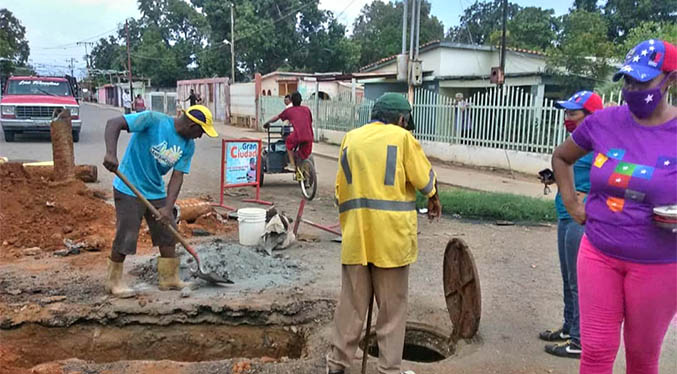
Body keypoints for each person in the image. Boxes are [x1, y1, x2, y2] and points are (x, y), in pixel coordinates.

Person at [552, 39, 676, 374]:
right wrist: (572, 204)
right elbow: (561, 158)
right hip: (599, 253)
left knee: (642, 359)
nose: (633, 89)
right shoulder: (603, 122)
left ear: (669, 79)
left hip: (658, 264)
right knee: (594, 354)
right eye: (628, 81)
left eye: (643, 81)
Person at [326, 93, 442, 374]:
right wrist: (434, 196)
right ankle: (388, 370)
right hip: (391, 240)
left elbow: (339, 190)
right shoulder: (403, 139)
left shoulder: (350, 138)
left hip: (357, 238)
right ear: (402, 119)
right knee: (391, 310)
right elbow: (424, 179)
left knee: (351, 307)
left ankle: (337, 365)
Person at [102, 105, 219, 298]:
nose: (200, 136)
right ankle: (113, 282)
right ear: (192, 125)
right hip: (128, 185)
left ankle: (169, 278)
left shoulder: (188, 146)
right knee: (127, 233)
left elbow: (177, 176)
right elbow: (113, 123)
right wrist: (111, 153)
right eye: (201, 131)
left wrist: (167, 206)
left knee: (168, 231)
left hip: (155, 190)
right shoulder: (153, 120)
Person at [539, 90, 603, 359]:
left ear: (590, 115)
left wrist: (589, 198)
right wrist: (554, 178)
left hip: (580, 221)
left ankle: (579, 340)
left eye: (573, 113)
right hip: (565, 216)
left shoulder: (600, 142)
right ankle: (569, 327)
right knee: (568, 279)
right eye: (566, 112)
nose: (567, 118)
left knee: (579, 282)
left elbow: (610, 179)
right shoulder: (576, 143)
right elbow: (573, 171)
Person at [262, 91, 313, 173]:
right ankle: (306, 171)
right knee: (304, 155)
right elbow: (310, 121)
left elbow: (277, 117)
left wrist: (267, 123)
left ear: (291, 101)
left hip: (298, 135)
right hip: (309, 135)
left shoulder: (289, 110)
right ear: (301, 100)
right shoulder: (307, 109)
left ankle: (292, 165)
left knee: (288, 143)